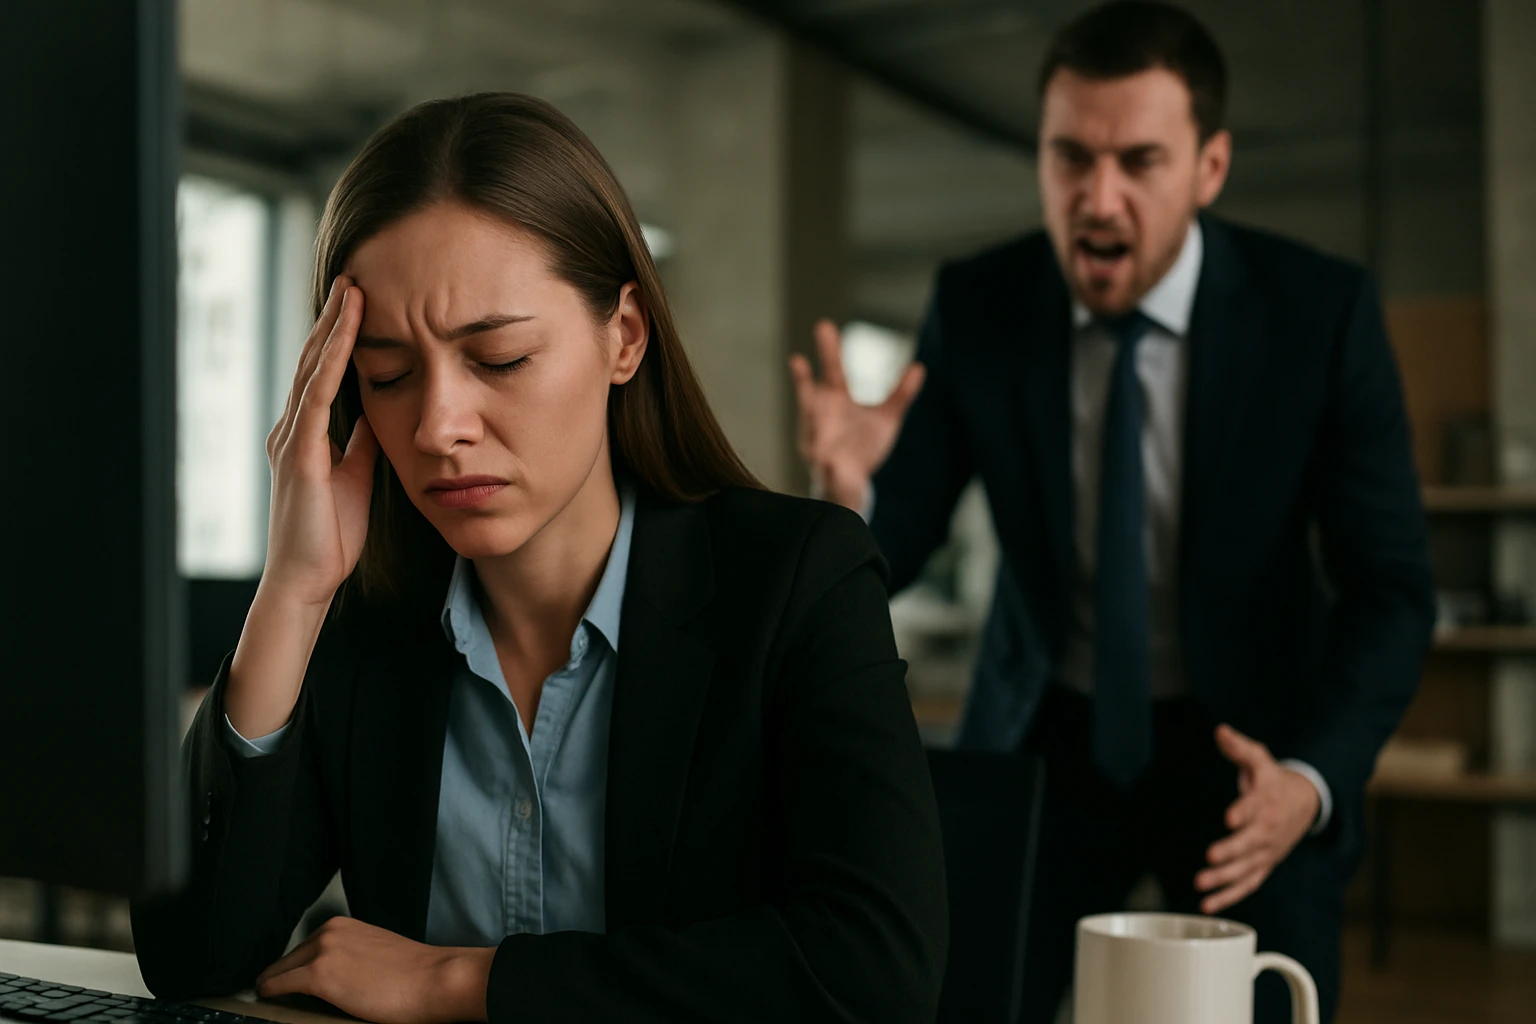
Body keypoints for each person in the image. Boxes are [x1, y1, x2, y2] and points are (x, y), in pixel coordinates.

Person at [131, 92, 947, 1024]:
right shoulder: (364, 619)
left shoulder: (797, 578)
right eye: (390, 375)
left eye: (501, 359)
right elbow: (189, 957)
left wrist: (459, 980)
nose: (438, 427)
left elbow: (876, 973)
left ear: (624, 336)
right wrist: (290, 592)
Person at [790, 3, 1434, 1022]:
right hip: (1046, 737)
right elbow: (890, 548)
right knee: (962, 1001)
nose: (1097, 198)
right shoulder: (980, 304)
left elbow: (1391, 590)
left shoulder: (1320, 314)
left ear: (1210, 167)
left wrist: (1311, 779)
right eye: (1070, 158)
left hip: (1250, 757)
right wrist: (851, 490)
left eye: (1139, 161)